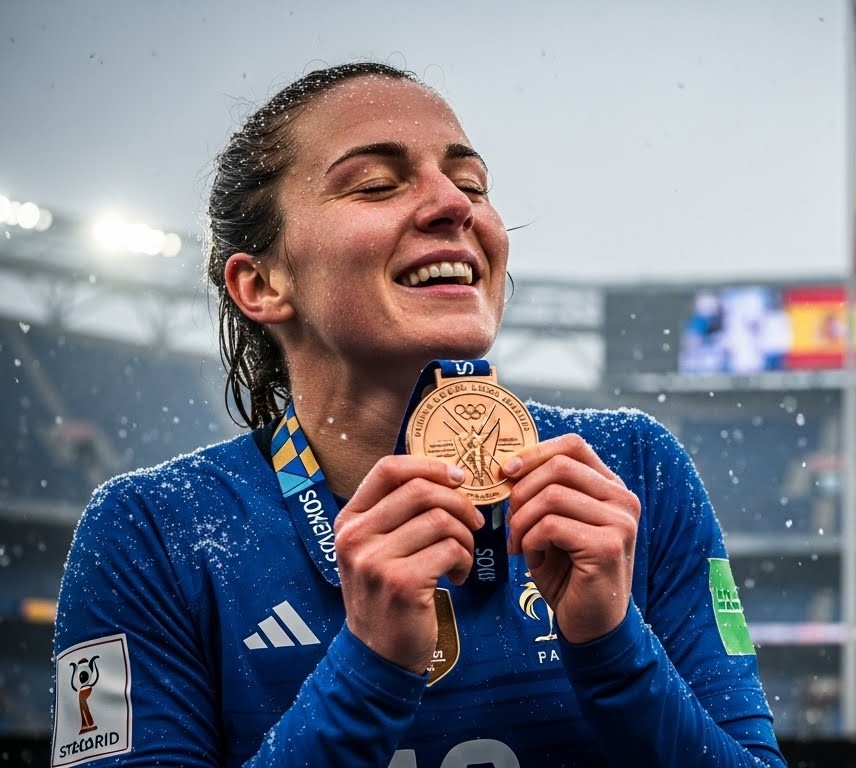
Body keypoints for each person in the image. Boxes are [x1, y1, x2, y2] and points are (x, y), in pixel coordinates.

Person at [50, 62, 784, 768]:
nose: (453, 204)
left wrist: (612, 648)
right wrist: (368, 671)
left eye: (471, 182)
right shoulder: (152, 530)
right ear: (262, 282)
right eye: (374, 184)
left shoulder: (633, 471)